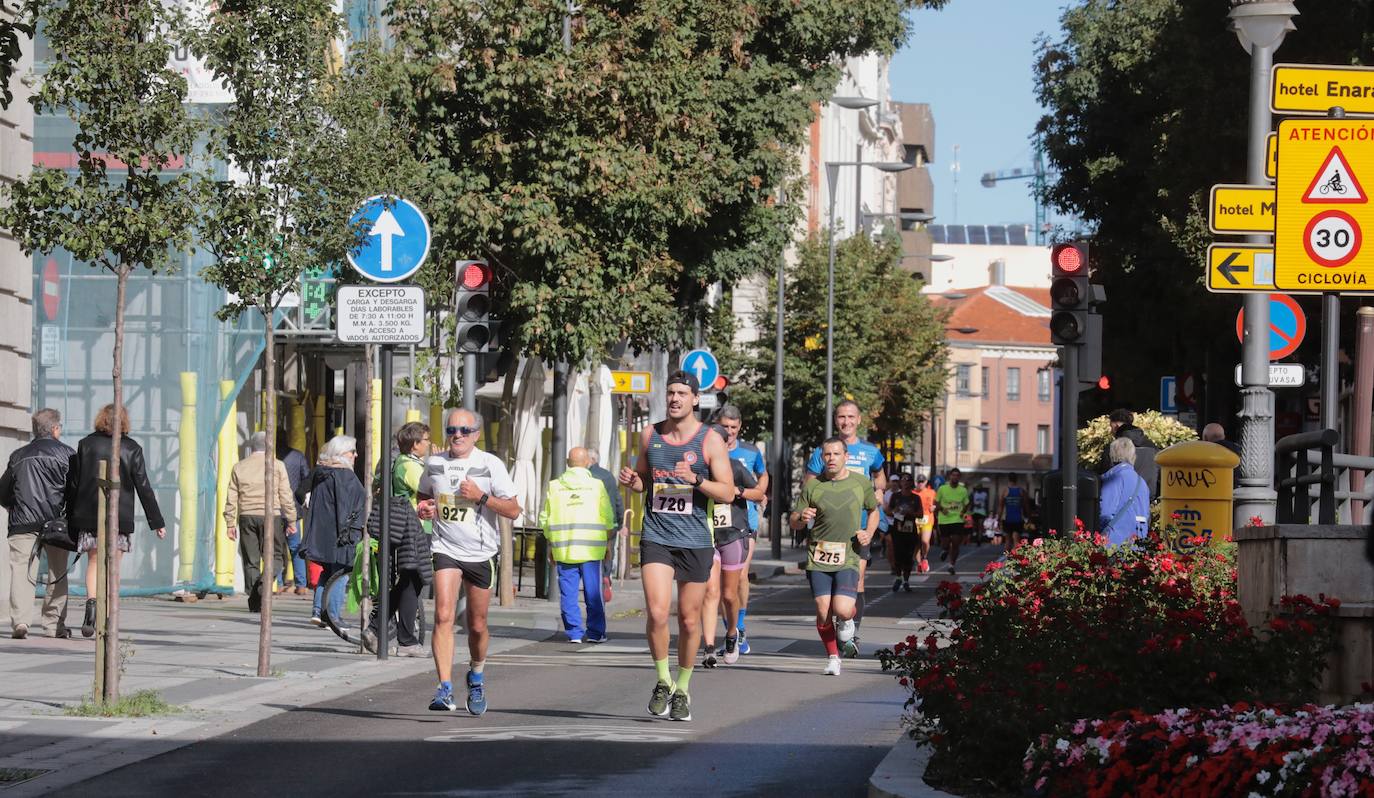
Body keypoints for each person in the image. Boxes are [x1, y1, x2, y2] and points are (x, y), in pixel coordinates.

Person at [619, 370, 734, 723]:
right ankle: (663, 680)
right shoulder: (650, 434)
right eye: (671, 392)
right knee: (656, 612)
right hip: (656, 535)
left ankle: (683, 687)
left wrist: (696, 480)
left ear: (695, 399)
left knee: (687, 619)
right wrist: (633, 480)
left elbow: (728, 492)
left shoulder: (709, 440)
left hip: (695, 540)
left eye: (682, 393)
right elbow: (643, 482)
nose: (675, 399)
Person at [416, 408, 521, 716]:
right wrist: (424, 508)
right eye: (451, 430)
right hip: (445, 547)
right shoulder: (434, 463)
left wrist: (481, 497)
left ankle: (476, 675)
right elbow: (424, 496)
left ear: (476, 434)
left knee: (476, 625)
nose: (457, 436)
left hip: (481, 552)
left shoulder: (489, 465)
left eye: (463, 430)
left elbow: (514, 510)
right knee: (444, 615)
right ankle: (444, 688)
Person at [66, 404, 165, 638]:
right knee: (113, 567)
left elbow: (74, 483)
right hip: (118, 518)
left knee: (93, 562)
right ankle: (108, 614)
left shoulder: (85, 445)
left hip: (88, 515)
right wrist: (157, 521)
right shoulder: (131, 448)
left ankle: (91, 607)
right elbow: (144, 487)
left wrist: (71, 515)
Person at [792, 436, 878, 676]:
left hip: (848, 554)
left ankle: (848, 620)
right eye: (826, 455)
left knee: (841, 609)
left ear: (846, 457)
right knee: (822, 610)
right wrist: (801, 518)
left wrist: (868, 533)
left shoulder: (861, 483)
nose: (831, 459)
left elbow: (874, 511)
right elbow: (794, 520)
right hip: (818, 556)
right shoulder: (812, 486)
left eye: (836, 454)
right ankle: (833, 656)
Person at [804, 400, 884, 657]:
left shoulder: (871, 451)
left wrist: (879, 491)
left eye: (851, 417)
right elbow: (809, 485)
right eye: (841, 417)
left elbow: (880, 477)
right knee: (826, 599)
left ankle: (851, 633)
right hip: (828, 533)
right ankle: (837, 629)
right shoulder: (824, 451)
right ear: (836, 420)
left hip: (859, 529)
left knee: (857, 581)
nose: (846, 421)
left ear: (859, 420)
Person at [0, 409, 75, 639]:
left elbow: (3, 492)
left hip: (22, 522)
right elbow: (75, 491)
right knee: (57, 572)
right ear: (54, 429)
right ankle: (53, 625)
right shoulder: (68, 455)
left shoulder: (18, 455)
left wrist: (14, 506)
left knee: (21, 571)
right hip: (57, 524)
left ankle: (21, 623)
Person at [361, 421, 433, 657]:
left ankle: (378, 629)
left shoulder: (400, 463)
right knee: (412, 581)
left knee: (407, 583)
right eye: (426, 440)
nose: (429, 444)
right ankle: (406, 640)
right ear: (415, 445)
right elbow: (430, 490)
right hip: (412, 529)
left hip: (402, 528)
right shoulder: (409, 466)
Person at [540, 447, 615, 644]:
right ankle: (596, 633)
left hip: (564, 549)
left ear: (567, 462)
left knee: (568, 594)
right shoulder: (597, 486)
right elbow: (608, 517)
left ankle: (574, 633)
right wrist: (608, 544)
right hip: (592, 549)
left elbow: (545, 518)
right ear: (587, 462)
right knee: (593, 592)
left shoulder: (554, 486)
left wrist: (550, 545)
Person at [714, 405, 768, 656]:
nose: (730, 432)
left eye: (734, 428)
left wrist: (757, 495)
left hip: (744, 520)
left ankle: (740, 625)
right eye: (725, 427)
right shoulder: (708, 448)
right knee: (719, 584)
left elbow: (762, 476)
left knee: (741, 575)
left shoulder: (750, 451)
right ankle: (730, 628)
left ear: (740, 428)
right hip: (714, 522)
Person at [296, 436, 365, 629]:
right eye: (353, 451)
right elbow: (347, 507)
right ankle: (333, 616)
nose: (356, 455)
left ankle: (318, 612)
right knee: (341, 574)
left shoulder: (321, 473)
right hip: (341, 534)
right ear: (343, 454)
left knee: (326, 573)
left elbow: (301, 492)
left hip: (321, 532)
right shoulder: (346, 476)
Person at [224, 432, 297, 613]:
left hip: (246, 515)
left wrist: (230, 523)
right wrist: (292, 519)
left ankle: (255, 600)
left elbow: (232, 496)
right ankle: (265, 582)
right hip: (272, 515)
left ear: (251, 446)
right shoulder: (278, 466)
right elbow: (285, 495)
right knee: (276, 556)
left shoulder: (239, 467)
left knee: (251, 559)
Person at [700, 435, 755, 667]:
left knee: (729, 594)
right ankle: (709, 647)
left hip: (733, 535)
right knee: (711, 591)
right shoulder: (697, 469)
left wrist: (737, 491)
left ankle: (732, 633)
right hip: (707, 535)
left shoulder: (735, 467)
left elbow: (759, 494)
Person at [585, 450, 624, 599]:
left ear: (590, 460)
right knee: (608, 551)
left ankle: (596, 580)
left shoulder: (587, 477)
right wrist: (620, 522)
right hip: (610, 522)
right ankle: (606, 576)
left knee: (592, 553)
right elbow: (617, 499)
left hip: (591, 522)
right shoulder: (608, 475)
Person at [277, 433, 311, 595]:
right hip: (294, 509)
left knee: (274, 548)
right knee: (295, 547)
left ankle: (275, 583)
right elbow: (306, 477)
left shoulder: (271, 457)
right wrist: (300, 494)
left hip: (275, 509)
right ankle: (301, 584)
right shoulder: (297, 456)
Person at [1099, 438, 1150, 545]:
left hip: (1114, 543)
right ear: (1133, 456)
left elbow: (1105, 513)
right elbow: (1146, 514)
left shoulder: (1113, 478)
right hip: (1138, 542)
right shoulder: (1142, 482)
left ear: (1111, 455)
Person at [1105, 409, 1158, 494]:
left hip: (1122, 498)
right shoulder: (1151, 446)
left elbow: (1107, 475)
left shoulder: (1114, 447)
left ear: (1116, 426)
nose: (1111, 432)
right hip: (1148, 498)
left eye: (1111, 428)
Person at [886, 474, 923, 591]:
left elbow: (921, 514)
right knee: (898, 555)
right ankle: (898, 577)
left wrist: (910, 513)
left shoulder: (916, 498)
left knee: (908, 556)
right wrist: (895, 511)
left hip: (910, 530)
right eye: (903, 480)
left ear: (912, 483)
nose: (905, 482)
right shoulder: (895, 496)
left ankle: (906, 580)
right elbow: (888, 511)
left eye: (908, 480)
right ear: (900, 483)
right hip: (897, 529)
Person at [935, 468, 970, 575]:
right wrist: (942, 509)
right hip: (944, 520)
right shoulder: (942, 489)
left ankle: (951, 564)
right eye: (953, 475)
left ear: (959, 478)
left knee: (955, 542)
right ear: (950, 476)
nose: (955, 477)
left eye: (957, 476)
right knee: (945, 543)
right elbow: (936, 502)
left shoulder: (963, 490)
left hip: (957, 519)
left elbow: (967, 503)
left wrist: (962, 512)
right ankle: (945, 550)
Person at [999, 473, 1027, 553]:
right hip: (1018, 518)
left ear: (1009, 479)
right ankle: (1015, 560)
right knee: (1016, 541)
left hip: (1008, 518)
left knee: (1008, 540)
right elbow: (1026, 506)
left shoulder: (1005, 491)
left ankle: (1007, 559)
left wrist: (998, 518)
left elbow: (1000, 506)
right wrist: (1028, 517)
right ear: (1016, 479)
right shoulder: (1021, 491)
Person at [914, 474, 936, 574]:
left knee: (925, 541)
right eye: (919, 481)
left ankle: (925, 558)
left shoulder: (931, 492)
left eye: (922, 481)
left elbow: (937, 503)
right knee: (916, 544)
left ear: (926, 482)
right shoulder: (913, 492)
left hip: (927, 519)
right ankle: (919, 563)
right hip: (915, 520)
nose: (920, 483)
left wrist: (934, 507)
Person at [970, 478, 992, 544]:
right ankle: (976, 536)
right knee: (976, 526)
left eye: (980, 488)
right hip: (975, 511)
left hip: (982, 511)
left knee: (980, 525)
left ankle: (979, 539)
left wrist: (987, 511)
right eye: (978, 488)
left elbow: (986, 503)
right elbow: (971, 502)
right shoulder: (974, 494)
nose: (979, 489)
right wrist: (974, 506)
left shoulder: (984, 494)